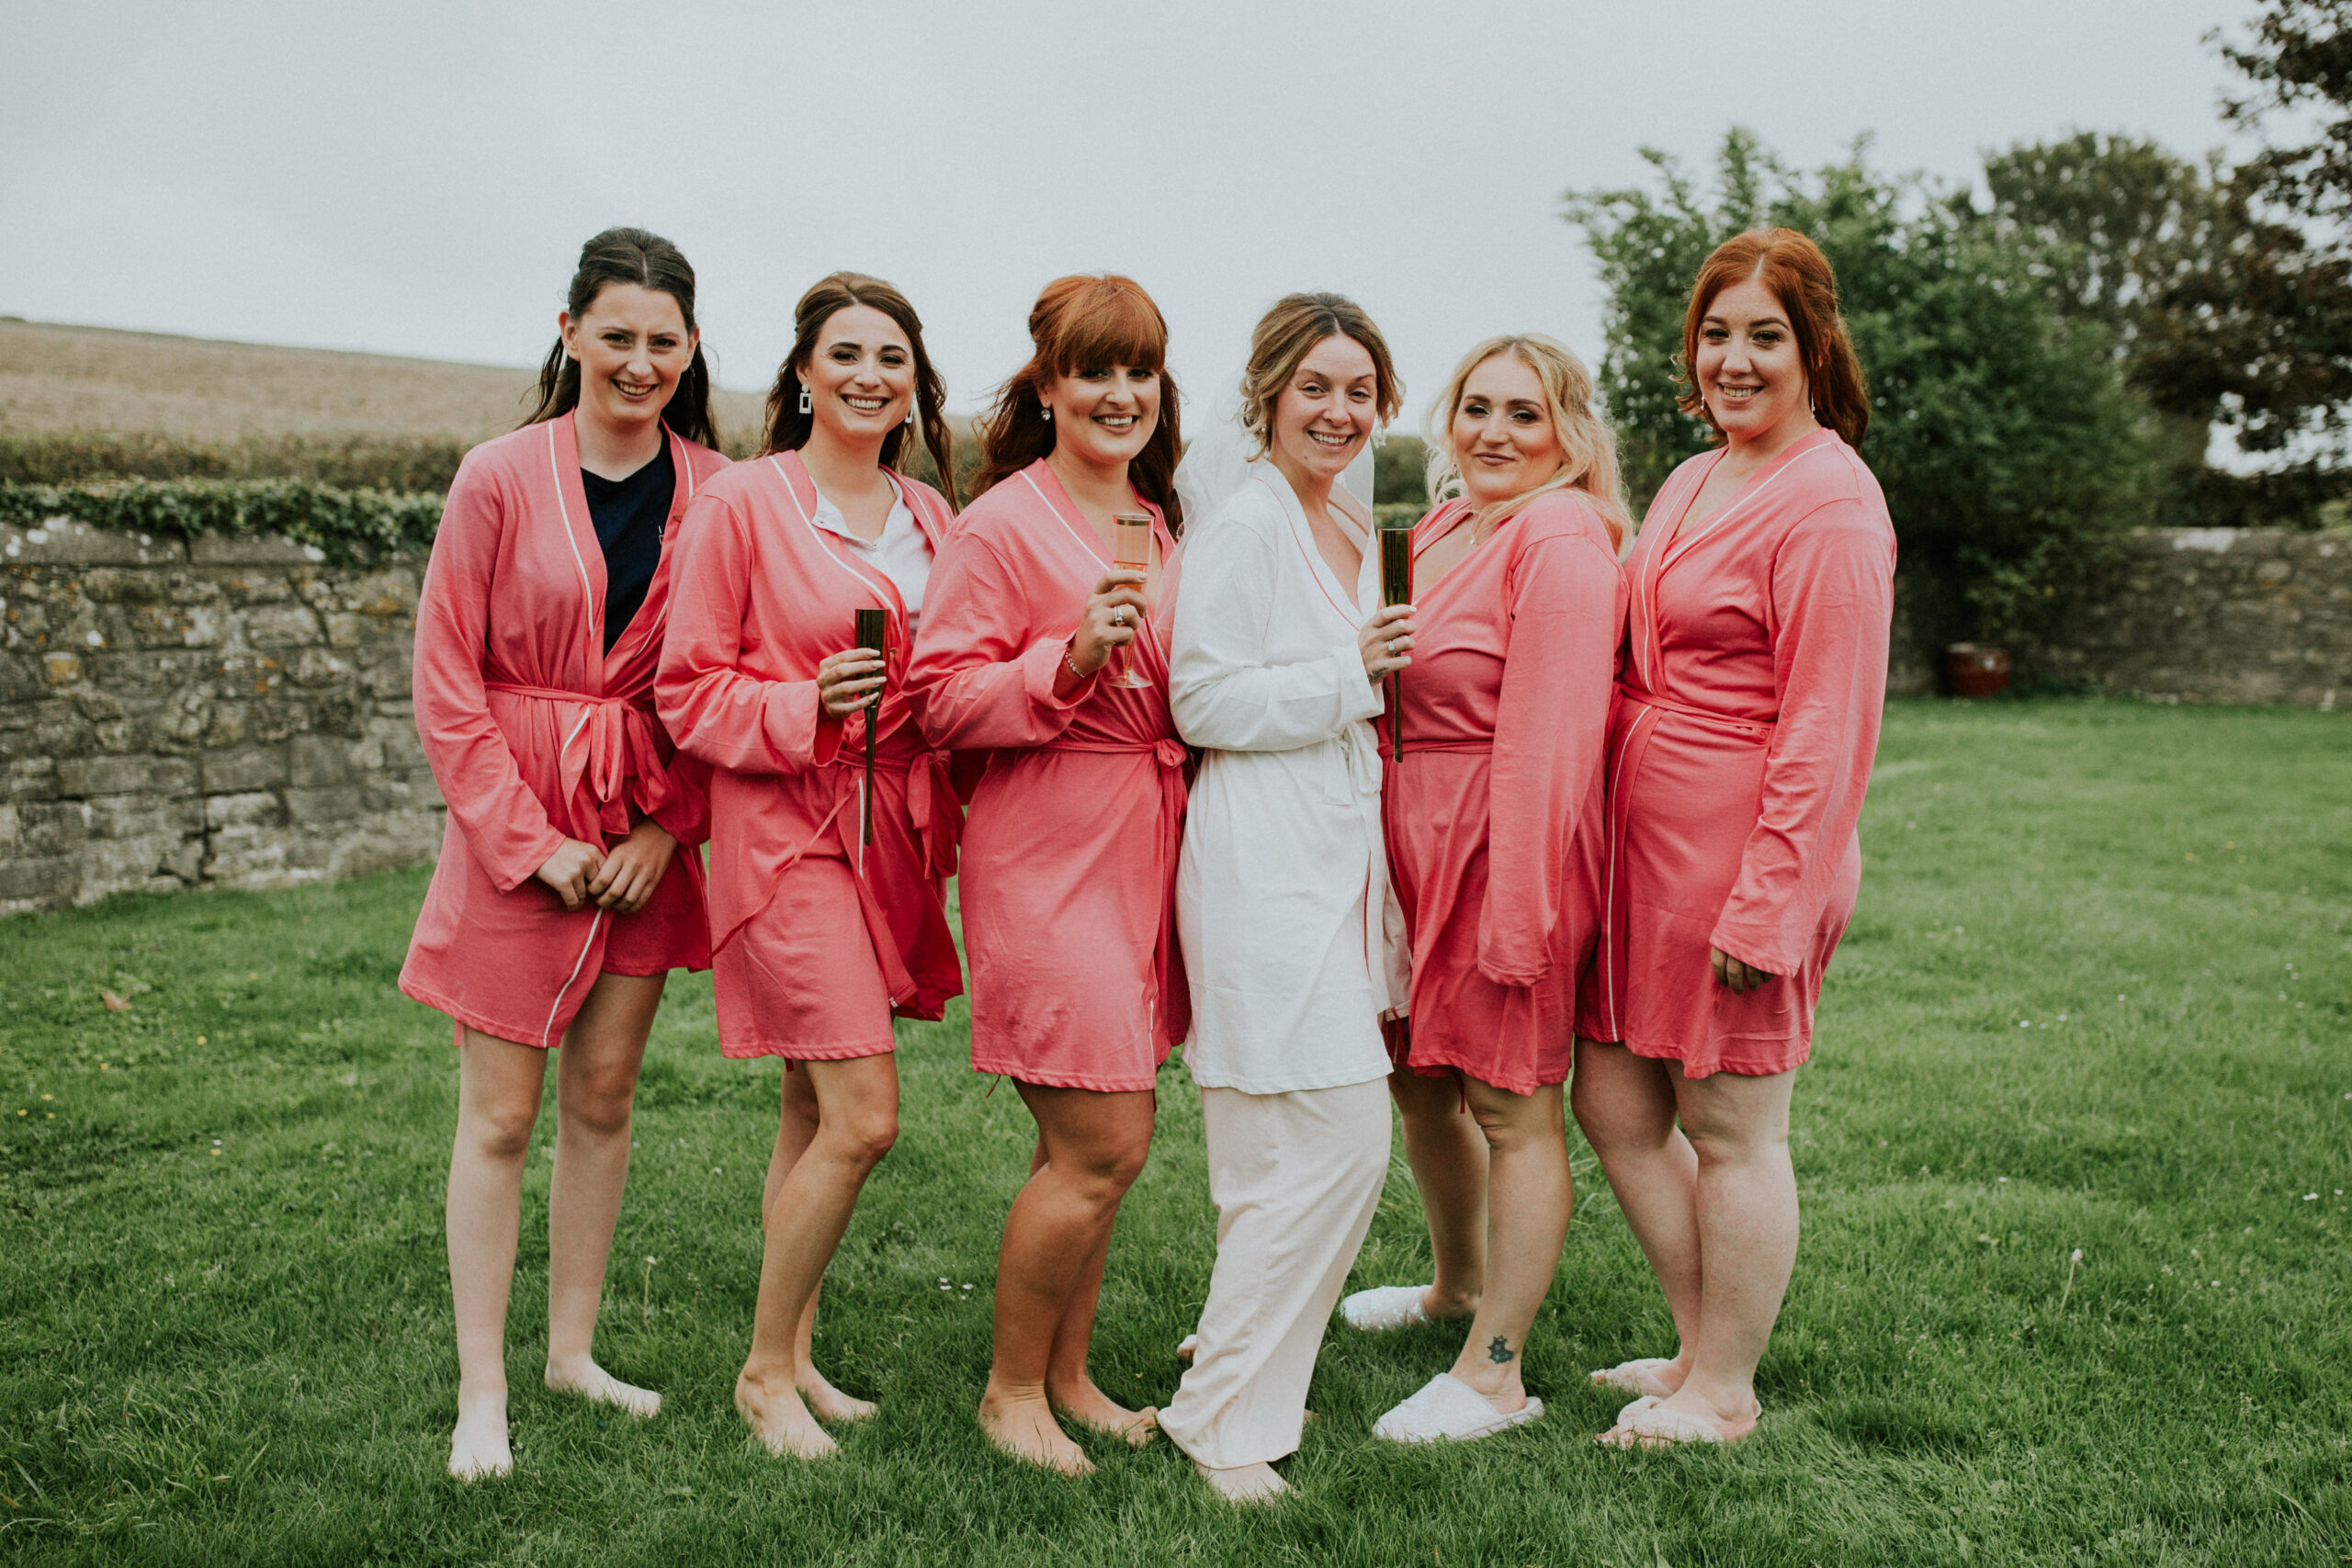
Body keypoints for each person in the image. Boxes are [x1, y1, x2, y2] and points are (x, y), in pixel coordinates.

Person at [400, 227, 729, 1481]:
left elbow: (727, 674)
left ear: (691, 349)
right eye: (618, 334)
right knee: (499, 1113)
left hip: (647, 822)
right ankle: (482, 1388)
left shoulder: (720, 489)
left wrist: (665, 827)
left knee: (602, 1098)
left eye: (663, 339)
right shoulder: (495, 477)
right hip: (514, 821)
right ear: (570, 333)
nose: (640, 359)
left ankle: (571, 1351)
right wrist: (528, 843)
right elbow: (448, 683)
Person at [1572, 228, 1894, 1448]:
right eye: (1717, 331)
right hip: (1637, 849)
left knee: (1734, 1126)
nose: (1735, 357)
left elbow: (1827, 724)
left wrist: (1770, 901)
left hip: (1746, 853)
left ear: (1814, 346)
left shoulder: (1831, 500)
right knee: (1613, 1098)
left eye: (1765, 333)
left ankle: (1725, 1387)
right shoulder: (1692, 479)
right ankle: (1697, 1341)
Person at [656, 272, 963, 1461]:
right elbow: (686, 689)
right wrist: (804, 701)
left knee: (809, 1100)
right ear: (802, 372)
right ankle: (759, 1375)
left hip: (894, 844)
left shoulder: (934, 517)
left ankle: (797, 1352)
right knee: (865, 1113)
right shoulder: (744, 504)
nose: (868, 373)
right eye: (845, 351)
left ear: (912, 381)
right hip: (788, 840)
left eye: (891, 355)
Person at [904, 275, 1185, 1476]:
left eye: (1139, 371)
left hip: (1147, 847)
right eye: (1094, 371)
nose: (1119, 394)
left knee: (1097, 1136)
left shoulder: (1154, 516)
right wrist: (1063, 658)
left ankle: (1071, 1374)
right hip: (1047, 849)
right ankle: (1010, 1389)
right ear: (1049, 384)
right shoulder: (1000, 526)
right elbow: (936, 699)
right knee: (1105, 1136)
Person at [1340, 335, 1629, 1446]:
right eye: (1476, 408)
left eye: (1524, 413)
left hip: (1504, 845)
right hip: (1411, 844)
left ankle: (1495, 1370)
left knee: (1510, 1106)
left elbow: (1552, 749)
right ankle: (1453, 1284)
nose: (1495, 433)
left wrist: (1517, 911)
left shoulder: (1559, 539)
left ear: (1568, 432)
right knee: (1420, 1082)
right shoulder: (1453, 523)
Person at [1158, 294, 1411, 1504]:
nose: (1340, 409)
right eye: (1317, 385)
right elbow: (1201, 702)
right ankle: (1219, 1416)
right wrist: (1347, 675)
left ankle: (1243, 1372)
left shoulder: (1347, 518)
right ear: (1267, 393)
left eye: (1360, 389)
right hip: (1261, 851)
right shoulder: (1249, 520)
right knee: (1335, 1133)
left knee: (1283, 1150)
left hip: (1333, 847)